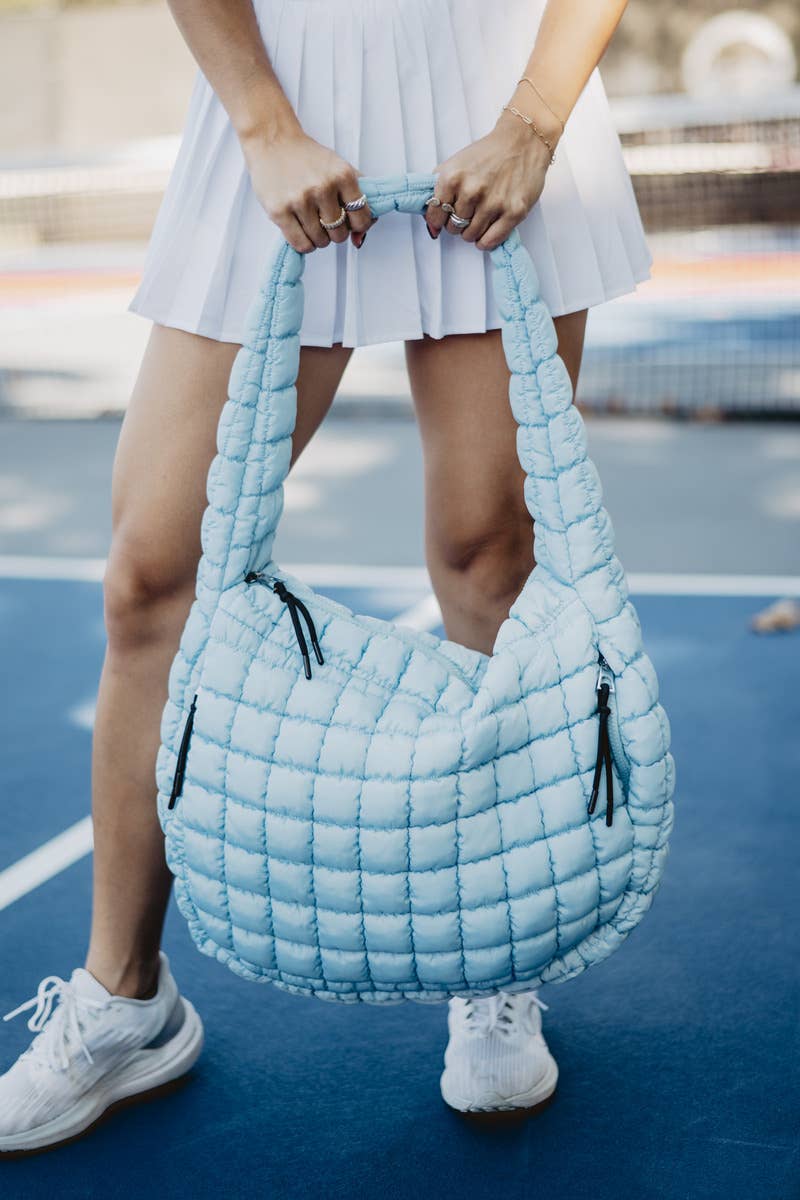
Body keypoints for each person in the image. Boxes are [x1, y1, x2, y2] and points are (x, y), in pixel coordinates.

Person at [0, 0, 651, 1151]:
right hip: (280, 106)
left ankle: (492, 958)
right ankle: (123, 1003)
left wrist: (533, 123)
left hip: (495, 98)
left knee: (488, 559)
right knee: (153, 577)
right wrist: (263, 124)